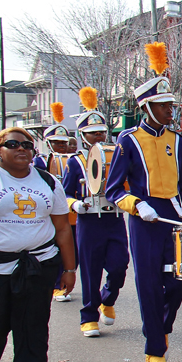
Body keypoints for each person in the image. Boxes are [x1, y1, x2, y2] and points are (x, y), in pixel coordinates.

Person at [106, 44, 182, 362]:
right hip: (144, 219)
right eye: (164, 106)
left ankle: (161, 329)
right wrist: (137, 205)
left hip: (172, 216)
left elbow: (181, 192)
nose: (171, 111)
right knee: (150, 284)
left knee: (178, 281)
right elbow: (113, 191)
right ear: (147, 107)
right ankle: (155, 349)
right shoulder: (128, 140)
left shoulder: (179, 140)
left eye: (171, 105)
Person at [0, 128, 76, 362]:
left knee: (33, 329)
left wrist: (70, 268)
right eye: (12, 144)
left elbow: (62, 228)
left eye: (27, 144)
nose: (21, 149)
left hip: (39, 266)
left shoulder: (48, 181)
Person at [61, 87, 130, 338]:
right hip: (89, 221)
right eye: (92, 133)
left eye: (101, 132)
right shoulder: (74, 162)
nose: (98, 136)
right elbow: (67, 193)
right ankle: (88, 317)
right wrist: (75, 205)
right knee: (90, 270)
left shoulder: (116, 154)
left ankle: (107, 299)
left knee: (120, 265)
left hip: (113, 218)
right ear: (82, 135)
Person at [39, 113, 79, 302]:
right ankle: (57, 286)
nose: (61, 146)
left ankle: (65, 279)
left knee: (72, 249)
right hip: (49, 213)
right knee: (55, 249)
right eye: (57, 143)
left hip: (70, 213)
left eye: (63, 142)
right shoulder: (39, 163)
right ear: (48, 144)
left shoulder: (75, 160)